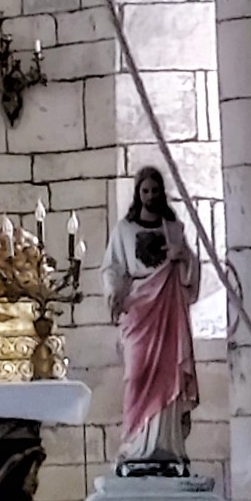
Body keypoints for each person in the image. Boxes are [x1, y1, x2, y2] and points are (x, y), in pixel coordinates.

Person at [107, 164, 205, 473]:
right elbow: (113, 267)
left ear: (162, 192)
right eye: (145, 191)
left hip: (168, 308)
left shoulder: (173, 228)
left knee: (169, 371)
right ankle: (135, 441)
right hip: (139, 311)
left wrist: (183, 257)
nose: (150, 196)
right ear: (138, 194)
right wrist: (115, 292)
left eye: (155, 190)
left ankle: (167, 445)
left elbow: (191, 267)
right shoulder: (124, 230)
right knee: (136, 375)